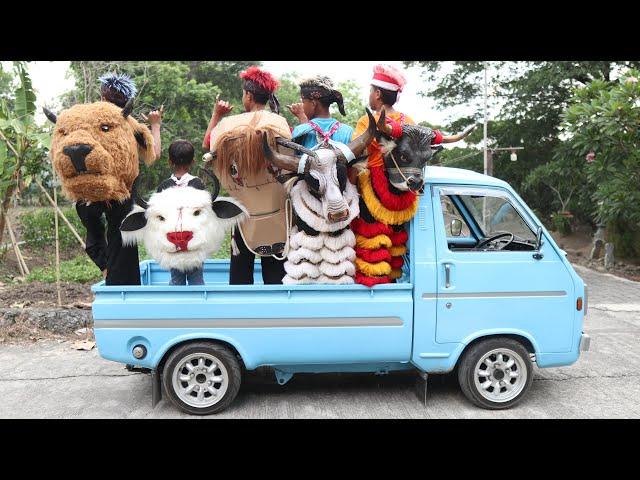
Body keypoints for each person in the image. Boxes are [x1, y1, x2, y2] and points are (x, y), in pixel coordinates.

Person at [204, 66, 292, 285]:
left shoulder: (227, 125)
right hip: (276, 214)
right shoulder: (278, 122)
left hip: (242, 213)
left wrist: (216, 115)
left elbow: (208, 146)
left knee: (241, 275)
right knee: (276, 275)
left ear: (249, 96)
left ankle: (240, 315)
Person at [155, 140, 207, 285]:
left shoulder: (164, 187)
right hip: (194, 242)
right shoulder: (198, 184)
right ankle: (199, 305)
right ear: (193, 161)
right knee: (197, 280)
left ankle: (176, 306)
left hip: (172, 243)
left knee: (176, 280)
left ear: (170, 161)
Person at [99, 72, 163, 161]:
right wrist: (155, 125)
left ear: (103, 98)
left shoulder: (88, 119)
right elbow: (155, 154)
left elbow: (154, 154)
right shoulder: (130, 126)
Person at [288, 76, 353, 149]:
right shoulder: (348, 131)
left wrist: (302, 117)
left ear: (313, 104)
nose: (302, 106)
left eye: (303, 102)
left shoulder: (299, 131)